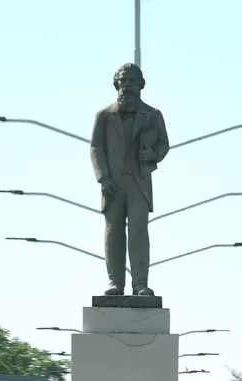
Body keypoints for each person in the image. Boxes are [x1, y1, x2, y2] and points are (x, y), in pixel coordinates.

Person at [89, 62, 170, 297]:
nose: (127, 86)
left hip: (139, 181)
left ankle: (140, 285)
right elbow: (96, 147)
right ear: (117, 84)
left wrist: (154, 154)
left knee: (138, 232)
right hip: (112, 183)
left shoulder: (153, 115)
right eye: (123, 81)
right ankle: (115, 283)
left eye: (131, 81)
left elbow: (164, 143)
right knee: (113, 232)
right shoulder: (104, 116)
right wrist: (103, 178)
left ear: (141, 85)